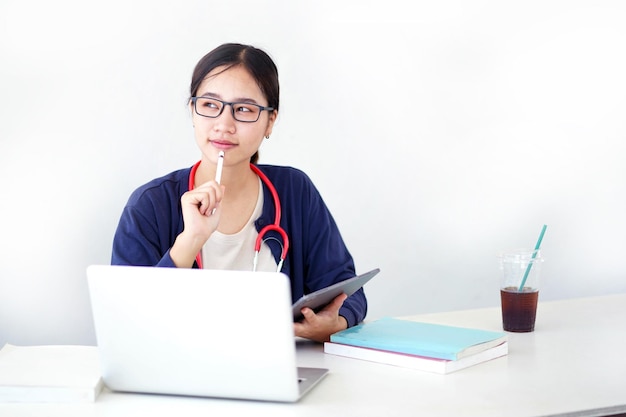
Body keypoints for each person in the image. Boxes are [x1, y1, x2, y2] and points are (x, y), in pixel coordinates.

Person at [111, 43, 367, 342]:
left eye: (244, 109)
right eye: (209, 105)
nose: (224, 124)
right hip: (178, 375)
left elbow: (347, 292)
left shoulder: (296, 191)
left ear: (270, 121)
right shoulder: (150, 204)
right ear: (192, 112)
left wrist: (334, 324)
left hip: (278, 371)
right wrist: (190, 241)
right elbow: (125, 320)